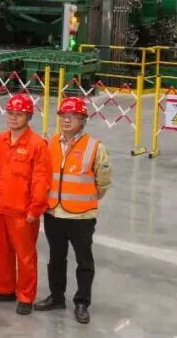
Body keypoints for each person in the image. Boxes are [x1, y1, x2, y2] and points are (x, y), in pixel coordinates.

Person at [35, 96, 111, 324]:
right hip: (54, 213)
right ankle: (57, 297)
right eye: (63, 116)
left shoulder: (95, 147)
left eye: (73, 116)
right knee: (56, 258)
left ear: (82, 121)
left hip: (81, 216)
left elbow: (103, 181)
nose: (66, 120)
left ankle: (82, 302)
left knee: (84, 260)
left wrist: (87, 199)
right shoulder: (49, 143)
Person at [0, 92, 51, 315]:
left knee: (25, 256)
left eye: (19, 114)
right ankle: (4, 289)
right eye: (10, 113)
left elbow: (41, 180)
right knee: (0, 252)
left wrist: (35, 210)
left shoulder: (37, 145)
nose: (13, 117)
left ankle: (25, 296)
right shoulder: (0, 140)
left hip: (22, 212)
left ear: (29, 116)